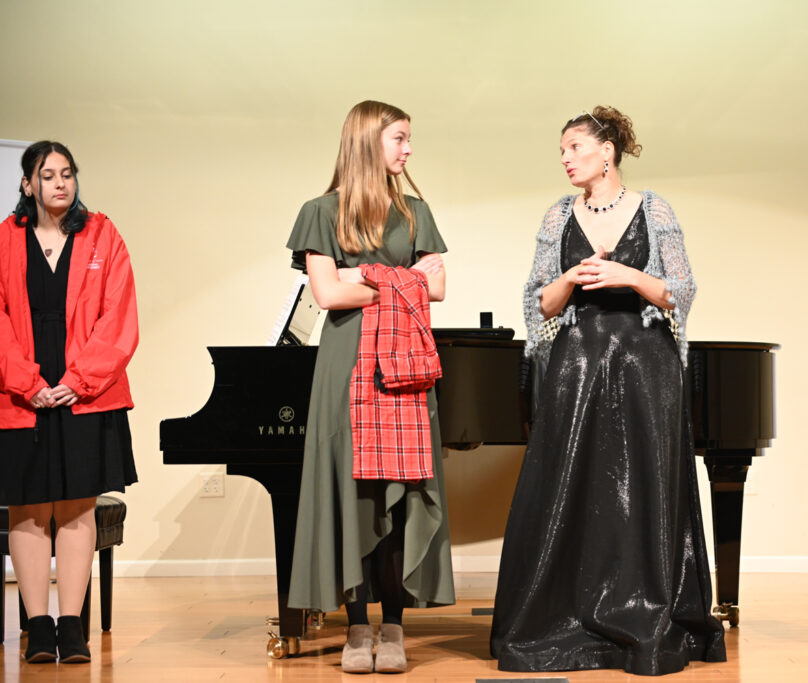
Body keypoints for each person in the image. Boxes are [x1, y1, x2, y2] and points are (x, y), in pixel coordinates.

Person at [490, 107, 727, 676]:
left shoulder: (654, 208)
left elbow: (682, 290)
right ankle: (569, 615)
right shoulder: (557, 216)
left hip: (646, 369)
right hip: (576, 369)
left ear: (607, 151)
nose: (566, 159)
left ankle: (644, 612)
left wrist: (630, 277)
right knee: (574, 489)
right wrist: (569, 278)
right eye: (562, 151)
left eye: (574, 147)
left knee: (644, 487)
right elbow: (538, 304)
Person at [285, 100, 452, 674]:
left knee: (403, 494)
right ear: (367, 141)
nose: (408, 150)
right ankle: (356, 627)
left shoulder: (415, 212)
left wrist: (363, 273)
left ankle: (394, 626)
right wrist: (403, 280)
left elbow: (439, 287)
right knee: (352, 493)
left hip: (405, 367)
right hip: (347, 366)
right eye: (399, 138)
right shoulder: (320, 212)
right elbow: (327, 295)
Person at [0, 141, 139, 664]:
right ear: (27, 184)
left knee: (79, 505)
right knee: (29, 508)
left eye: (67, 173)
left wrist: (79, 380)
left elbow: (119, 317)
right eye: (48, 175)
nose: (60, 183)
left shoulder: (104, 234)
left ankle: (72, 625)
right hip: (21, 393)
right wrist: (26, 381)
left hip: (87, 392)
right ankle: (38, 626)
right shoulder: (4, 239)